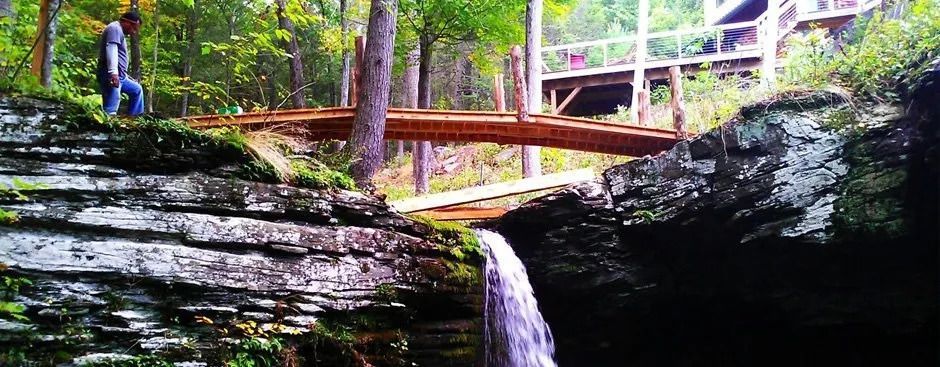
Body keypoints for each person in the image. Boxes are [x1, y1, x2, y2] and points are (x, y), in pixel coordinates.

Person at [97, 11, 143, 116]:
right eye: (133, 27)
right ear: (127, 22)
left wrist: (124, 75)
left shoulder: (119, 31)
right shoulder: (114, 28)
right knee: (112, 106)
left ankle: (135, 119)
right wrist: (113, 73)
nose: (134, 32)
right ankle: (107, 125)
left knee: (136, 90)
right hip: (109, 73)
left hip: (121, 75)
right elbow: (111, 49)